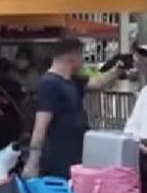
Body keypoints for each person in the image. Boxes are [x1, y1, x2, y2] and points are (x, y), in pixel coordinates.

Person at [25, 35, 96, 181]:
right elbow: (41, 125)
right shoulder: (50, 84)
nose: (82, 61)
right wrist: (32, 162)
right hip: (57, 160)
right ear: (73, 56)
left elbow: (96, 84)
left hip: (73, 156)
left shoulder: (70, 81)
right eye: (81, 55)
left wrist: (117, 69)